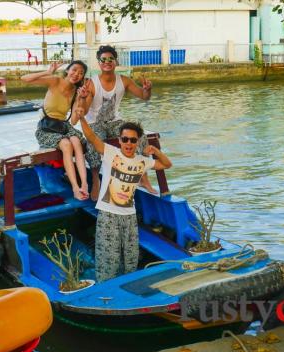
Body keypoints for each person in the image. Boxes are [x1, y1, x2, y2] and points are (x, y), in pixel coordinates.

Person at [75, 105, 172, 282]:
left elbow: (166, 164)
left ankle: (128, 288)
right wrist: (81, 118)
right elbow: (90, 137)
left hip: (129, 216)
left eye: (133, 140)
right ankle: (105, 291)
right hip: (108, 215)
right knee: (107, 258)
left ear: (138, 142)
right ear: (119, 140)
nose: (128, 143)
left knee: (131, 258)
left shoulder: (142, 161)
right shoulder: (110, 153)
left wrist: (156, 151)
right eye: (125, 139)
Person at [78, 45, 156, 201]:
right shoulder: (92, 83)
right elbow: (85, 111)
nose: (107, 62)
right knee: (94, 143)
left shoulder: (124, 81)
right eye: (103, 60)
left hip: (115, 121)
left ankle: (143, 178)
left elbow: (144, 96)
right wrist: (83, 97)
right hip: (95, 123)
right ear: (99, 63)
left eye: (110, 59)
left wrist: (147, 89)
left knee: (138, 136)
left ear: (116, 61)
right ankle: (95, 180)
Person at [21, 61, 89, 200]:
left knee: (76, 140)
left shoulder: (76, 92)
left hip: (63, 126)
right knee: (66, 144)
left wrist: (81, 99)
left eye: (81, 73)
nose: (76, 74)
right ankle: (75, 188)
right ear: (67, 70)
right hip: (47, 127)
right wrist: (48, 72)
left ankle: (84, 184)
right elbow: (24, 78)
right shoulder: (55, 81)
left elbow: (74, 120)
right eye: (74, 70)